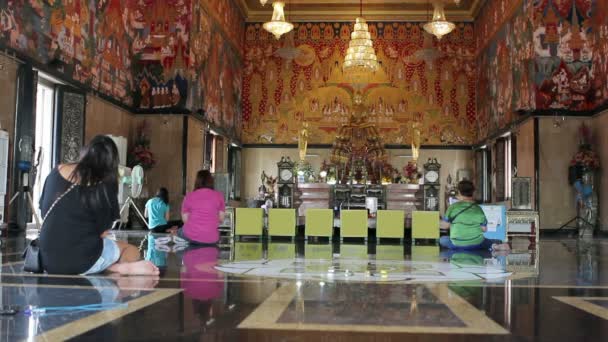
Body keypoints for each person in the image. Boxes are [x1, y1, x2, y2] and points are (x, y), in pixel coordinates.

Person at [39, 135, 159, 276]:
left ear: (86, 152)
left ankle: (104, 265)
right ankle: (121, 268)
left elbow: (43, 212)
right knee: (130, 249)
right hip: (80, 263)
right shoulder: (104, 185)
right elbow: (102, 233)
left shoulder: (56, 172)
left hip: (46, 260)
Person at [439, 180, 510, 251]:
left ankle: (460, 248)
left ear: (459, 192)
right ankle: (494, 246)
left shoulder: (453, 207)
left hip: (457, 243)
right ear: (473, 192)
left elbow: (445, 226)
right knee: (486, 241)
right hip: (476, 243)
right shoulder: (478, 209)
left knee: (442, 240)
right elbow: (484, 229)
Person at [177, 170, 225, 244]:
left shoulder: (189, 196)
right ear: (211, 181)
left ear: (197, 181)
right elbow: (221, 219)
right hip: (212, 238)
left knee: (179, 231)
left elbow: (185, 220)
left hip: (191, 235)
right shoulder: (219, 196)